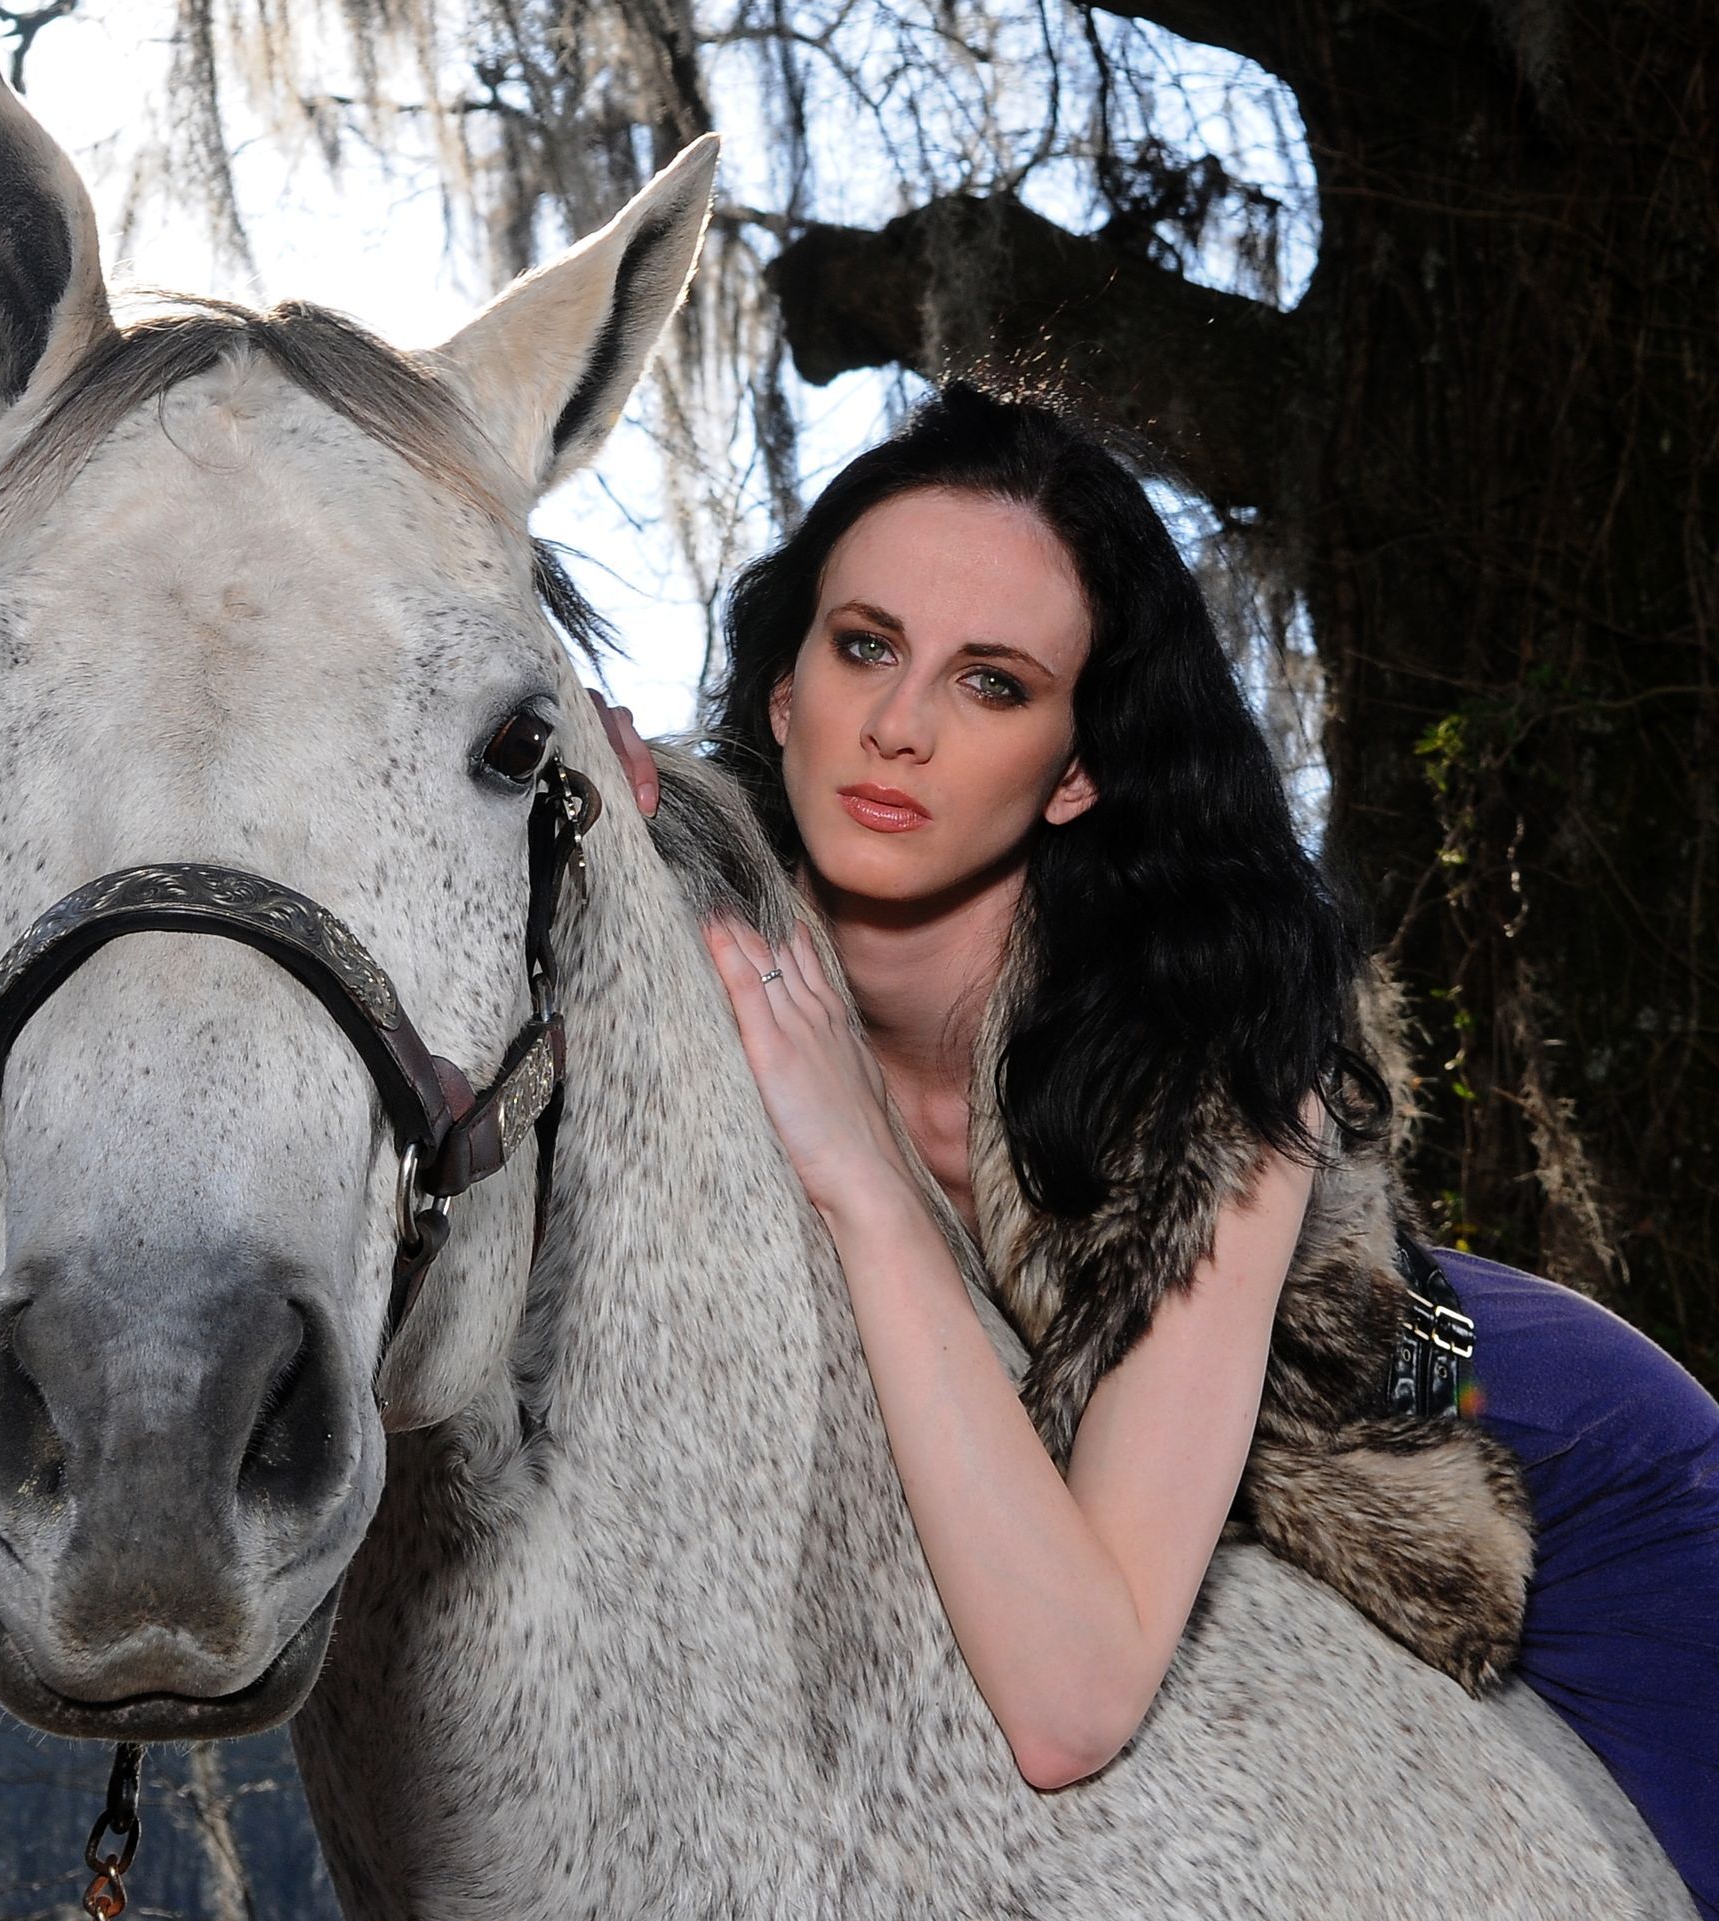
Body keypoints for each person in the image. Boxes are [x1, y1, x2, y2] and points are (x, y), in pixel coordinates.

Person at [592, 382, 1718, 1914]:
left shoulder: (1220, 1052)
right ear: (785, 689)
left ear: (1074, 770)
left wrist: (864, 1179)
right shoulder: (707, 926)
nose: (900, 725)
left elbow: (1074, 1698)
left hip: (1533, 1449)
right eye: (865, 647)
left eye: (992, 684)